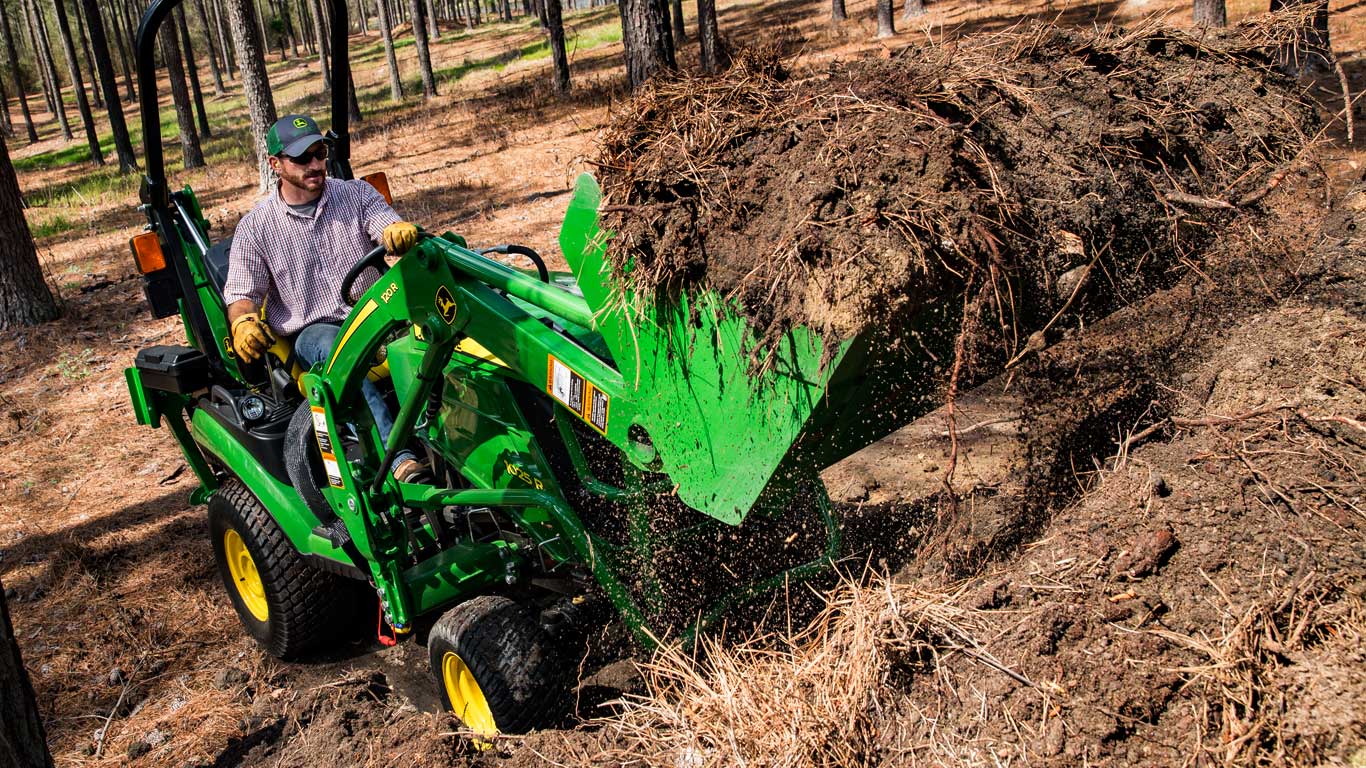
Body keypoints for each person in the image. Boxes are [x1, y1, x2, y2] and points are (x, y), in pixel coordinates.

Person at [223, 114, 424, 483]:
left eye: (320, 153)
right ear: (275, 164)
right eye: (302, 158)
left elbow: (385, 226)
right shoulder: (256, 228)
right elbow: (241, 294)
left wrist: (394, 232)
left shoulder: (356, 194)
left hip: (376, 314)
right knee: (337, 346)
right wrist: (243, 322)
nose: (316, 165)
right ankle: (400, 459)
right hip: (315, 332)